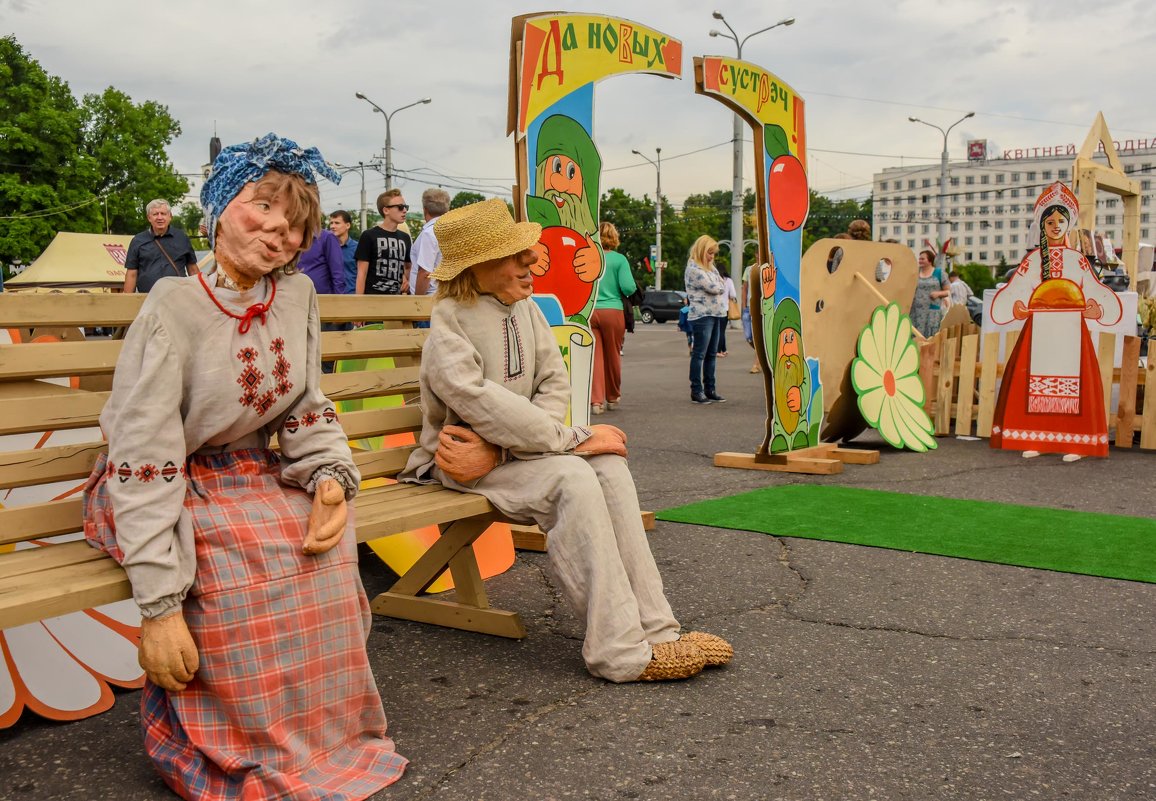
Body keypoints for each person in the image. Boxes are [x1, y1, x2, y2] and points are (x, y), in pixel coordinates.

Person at [82, 133, 407, 799]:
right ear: (223, 205)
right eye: (263, 206)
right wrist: (160, 605)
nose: (279, 230)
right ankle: (235, 748)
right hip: (157, 480)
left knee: (326, 547)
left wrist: (326, 479)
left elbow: (305, 406)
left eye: (295, 225)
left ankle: (324, 743)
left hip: (250, 471)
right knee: (242, 554)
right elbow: (143, 450)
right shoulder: (172, 303)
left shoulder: (296, 298)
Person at [398, 198, 731, 683]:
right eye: (517, 255)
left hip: (507, 456)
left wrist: (522, 445)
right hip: (457, 464)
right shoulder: (450, 323)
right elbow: (476, 400)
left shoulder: (526, 309)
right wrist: (568, 440)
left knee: (610, 469)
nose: (532, 260)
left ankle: (658, 632)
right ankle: (618, 652)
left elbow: (553, 383)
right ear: (479, 266)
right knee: (573, 478)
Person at [989, 181, 1122, 461]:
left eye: (1061, 221)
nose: (1056, 226)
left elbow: (1096, 291)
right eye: (1050, 221)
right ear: (1043, 225)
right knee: (1034, 384)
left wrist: (1096, 310)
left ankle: (1075, 442)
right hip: (1039, 331)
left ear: (1068, 225)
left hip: (1072, 331)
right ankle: (1038, 437)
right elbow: (1016, 289)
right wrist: (1017, 307)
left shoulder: (1078, 260)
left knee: (1074, 387)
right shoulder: (1034, 260)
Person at [589, 222, 637, 415]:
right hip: (613, 311)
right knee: (613, 354)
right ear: (614, 237)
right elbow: (628, 287)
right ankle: (612, 396)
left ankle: (596, 402)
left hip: (590, 311)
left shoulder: (589, 257)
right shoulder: (619, 260)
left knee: (596, 357)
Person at [684, 235, 728, 404]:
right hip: (702, 315)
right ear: (702, 250)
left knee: (711, 354)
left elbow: (722, 285)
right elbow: (715, 287)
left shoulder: (710, 268)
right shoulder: (694, 269)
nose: (712, 257)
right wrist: (719, 286)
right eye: (710, 253)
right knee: (700, 354)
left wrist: (720, 286)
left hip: (716, 313)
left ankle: (710, 389)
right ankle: (696, 390)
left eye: (714, 254)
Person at [122, 199, 199, 294]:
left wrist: (201, 294)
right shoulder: (138, 240)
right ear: (149, 218)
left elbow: (192, 269)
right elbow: (132, 274)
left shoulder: (182, 238)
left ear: (170, 216)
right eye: (155, 214)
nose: (159, 217)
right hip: (148, 298)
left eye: (163, 213)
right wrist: (127, 301)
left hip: (178, 297)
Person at [355, 189, 411, 295]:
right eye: (400, 207)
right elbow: (362, 273)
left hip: (396, 300)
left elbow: (408, 266)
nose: (404, 210)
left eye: (405, 207)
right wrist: (359, 302)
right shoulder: (368, 236)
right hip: (372, 300)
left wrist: (406, 280)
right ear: (386, 210)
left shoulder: (405, 238)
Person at [409, 188, 451, 300]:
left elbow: (425, 273)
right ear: (447, 209)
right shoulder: (452, 231)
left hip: (428, 299)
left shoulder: (429, 233)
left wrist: (417, 301)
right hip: (448, 296)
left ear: (425, 209)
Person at [909, 249, 950, 337]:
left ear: (930, 260)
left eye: (922, 259)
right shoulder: (915, 272)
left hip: (932, 311)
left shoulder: (939, 273)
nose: (920, 261)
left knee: (931, 335)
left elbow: (948, 291)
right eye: (919, 259)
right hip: (915, 312)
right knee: (914, 335)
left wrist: (938, 294)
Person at [297, 226, 346, 294]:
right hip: (297, 296)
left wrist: (339, 300)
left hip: (323, 298)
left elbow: (337, 273)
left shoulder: (327, 237)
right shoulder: (293, 238)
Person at [328, 209, 359, 293]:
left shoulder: (357, 248)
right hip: (330, 297)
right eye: (331, 223)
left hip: (352, 296)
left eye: (337, 223)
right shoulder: (326, 248)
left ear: (348, 225)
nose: (332, 226)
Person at [741, 263, 759, 373]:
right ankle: (763, 354)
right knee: (748, 337)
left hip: (760, 308)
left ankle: (756, 364)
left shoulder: (768, 268)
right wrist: (743, 306)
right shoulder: (749, 269)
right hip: (748, 307)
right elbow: (744, 288)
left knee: (758, 337)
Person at [718, 271, 738, 357]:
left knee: (717, 331)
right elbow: (733, 294)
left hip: (715, 309)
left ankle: (719, 350)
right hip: (725, 309)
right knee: (722, 331)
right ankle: (723, 350)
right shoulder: (728, 281)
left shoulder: (714, 278)